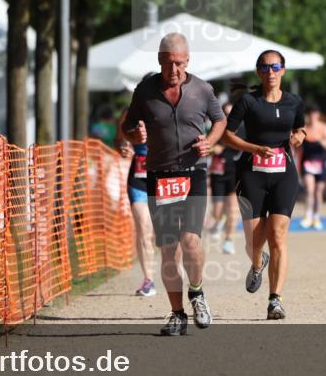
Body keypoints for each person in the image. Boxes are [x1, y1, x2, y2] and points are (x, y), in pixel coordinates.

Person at [121, 33, 226, 336]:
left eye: (180, 63)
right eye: (169, 63)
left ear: (188, 61)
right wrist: (133, 136)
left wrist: (211, 141)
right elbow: (126, 126)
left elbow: (219, 121)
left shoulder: (202, 89)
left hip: (193, 172)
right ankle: (177, 313)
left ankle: (197, 292)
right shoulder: (145, 91)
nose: (175, 69)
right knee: (168, 248)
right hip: (160, 175)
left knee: (190, 241)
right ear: (159, 61)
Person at [220, 50, 305, 320]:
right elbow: (226, 136)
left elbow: (301, 128)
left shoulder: (294, 102)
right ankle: (258, 263)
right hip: (252, 174)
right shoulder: (248, 101)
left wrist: (300, 135)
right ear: (258, 71)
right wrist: (255, 148)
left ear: (283, 70)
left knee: (278, 236)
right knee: (255, 242)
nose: (271, 72)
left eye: (275, 67)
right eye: (265, 67)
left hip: (284, 173)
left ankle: (275, 299)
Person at [117, 94, 157, 297]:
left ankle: (173, 269)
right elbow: (122, 140)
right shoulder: (130, 115)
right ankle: (148, 279)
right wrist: (125, 148)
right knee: (143, 227)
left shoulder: (170, 112)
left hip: (164, 180)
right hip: (139, 179)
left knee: (164, 233)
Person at [207, 102, 239, 255]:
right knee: (218, 210)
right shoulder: (215, 129)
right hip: (218, 173)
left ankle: (228, 240)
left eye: (231, 113)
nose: (228, 117)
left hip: (234, 173)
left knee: (232, 209)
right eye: (225, 113)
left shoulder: (241, 129)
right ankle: (219, 222)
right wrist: (214, 149)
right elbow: (205, 147)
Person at [299, 105, 326, 229]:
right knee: (309, 189)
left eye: (315, 113)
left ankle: (317, 216)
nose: (312, 116)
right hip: (307, 162)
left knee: (319, 191)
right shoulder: (304, 128)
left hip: (320, 162)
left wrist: (320, 140)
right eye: (310, 113)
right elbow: (297, 145)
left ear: (318, 115)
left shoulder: (325, 128)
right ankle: (307, 215)